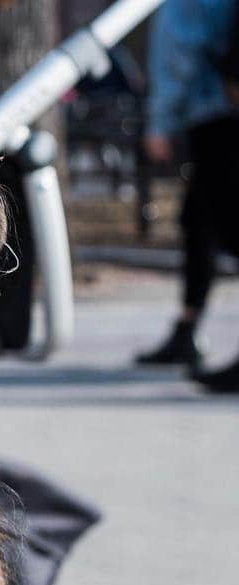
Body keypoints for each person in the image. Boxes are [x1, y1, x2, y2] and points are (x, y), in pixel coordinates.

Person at [138, 0, 239, 393]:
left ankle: (187, 331)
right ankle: (186, 329)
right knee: (198, 221)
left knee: (225, 225)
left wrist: (161, 120)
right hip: (217, 107)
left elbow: (179, 51)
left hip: (216, 110)